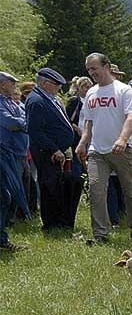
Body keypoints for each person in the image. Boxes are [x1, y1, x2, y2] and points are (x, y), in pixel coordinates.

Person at [75, 52, 132, 244]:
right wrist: (83, 142)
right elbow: (89, 121)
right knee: (96, 190)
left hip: (123, 149)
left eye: (94, 68)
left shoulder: (123, 90)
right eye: (88, 69)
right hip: (97, 151)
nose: (91, 72)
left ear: (106, 67)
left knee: (130, 190)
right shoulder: (91, 93)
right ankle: (100, 234)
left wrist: (122, 139)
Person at [26, 67, 82, 232]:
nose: (59, 87)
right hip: (47, 152)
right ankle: (51, 223)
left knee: (57, 185)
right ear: (44, 83)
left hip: (57, 150)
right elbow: (35, 131)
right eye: (55, 84)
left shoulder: (49, 98)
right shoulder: (36, 101)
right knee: (49, 186)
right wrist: (54, 149)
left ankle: (59, 220)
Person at [0, 71, 28, 251]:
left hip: (14, 153)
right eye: (12, 83)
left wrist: (23, 122)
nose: (15, 86)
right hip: (3, 154)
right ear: (3, 84)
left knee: (6, 196)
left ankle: (2, 238)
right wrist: (26, 123)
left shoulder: (11, 102)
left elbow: (21, 118)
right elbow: (10, 123)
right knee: (4, 196)